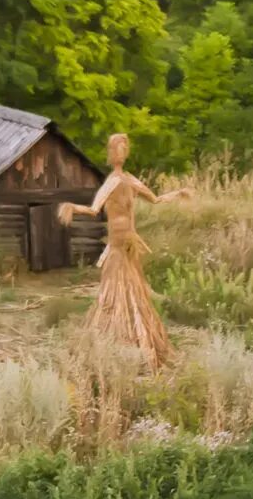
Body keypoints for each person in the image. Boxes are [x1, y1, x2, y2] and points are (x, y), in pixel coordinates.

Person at [58, 132, 191, 366]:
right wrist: (72, 208)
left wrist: (178, 194)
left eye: (122, 148)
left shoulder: (129, 181)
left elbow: (156, 199)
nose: (119, 153)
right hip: (118, 244)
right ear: (111, 154)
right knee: (116, 289)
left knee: (134, 288)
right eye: (116, 149)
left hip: (129, 242)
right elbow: (94, 208)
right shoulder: (113, 182)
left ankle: (139, 337)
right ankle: (115, 336)